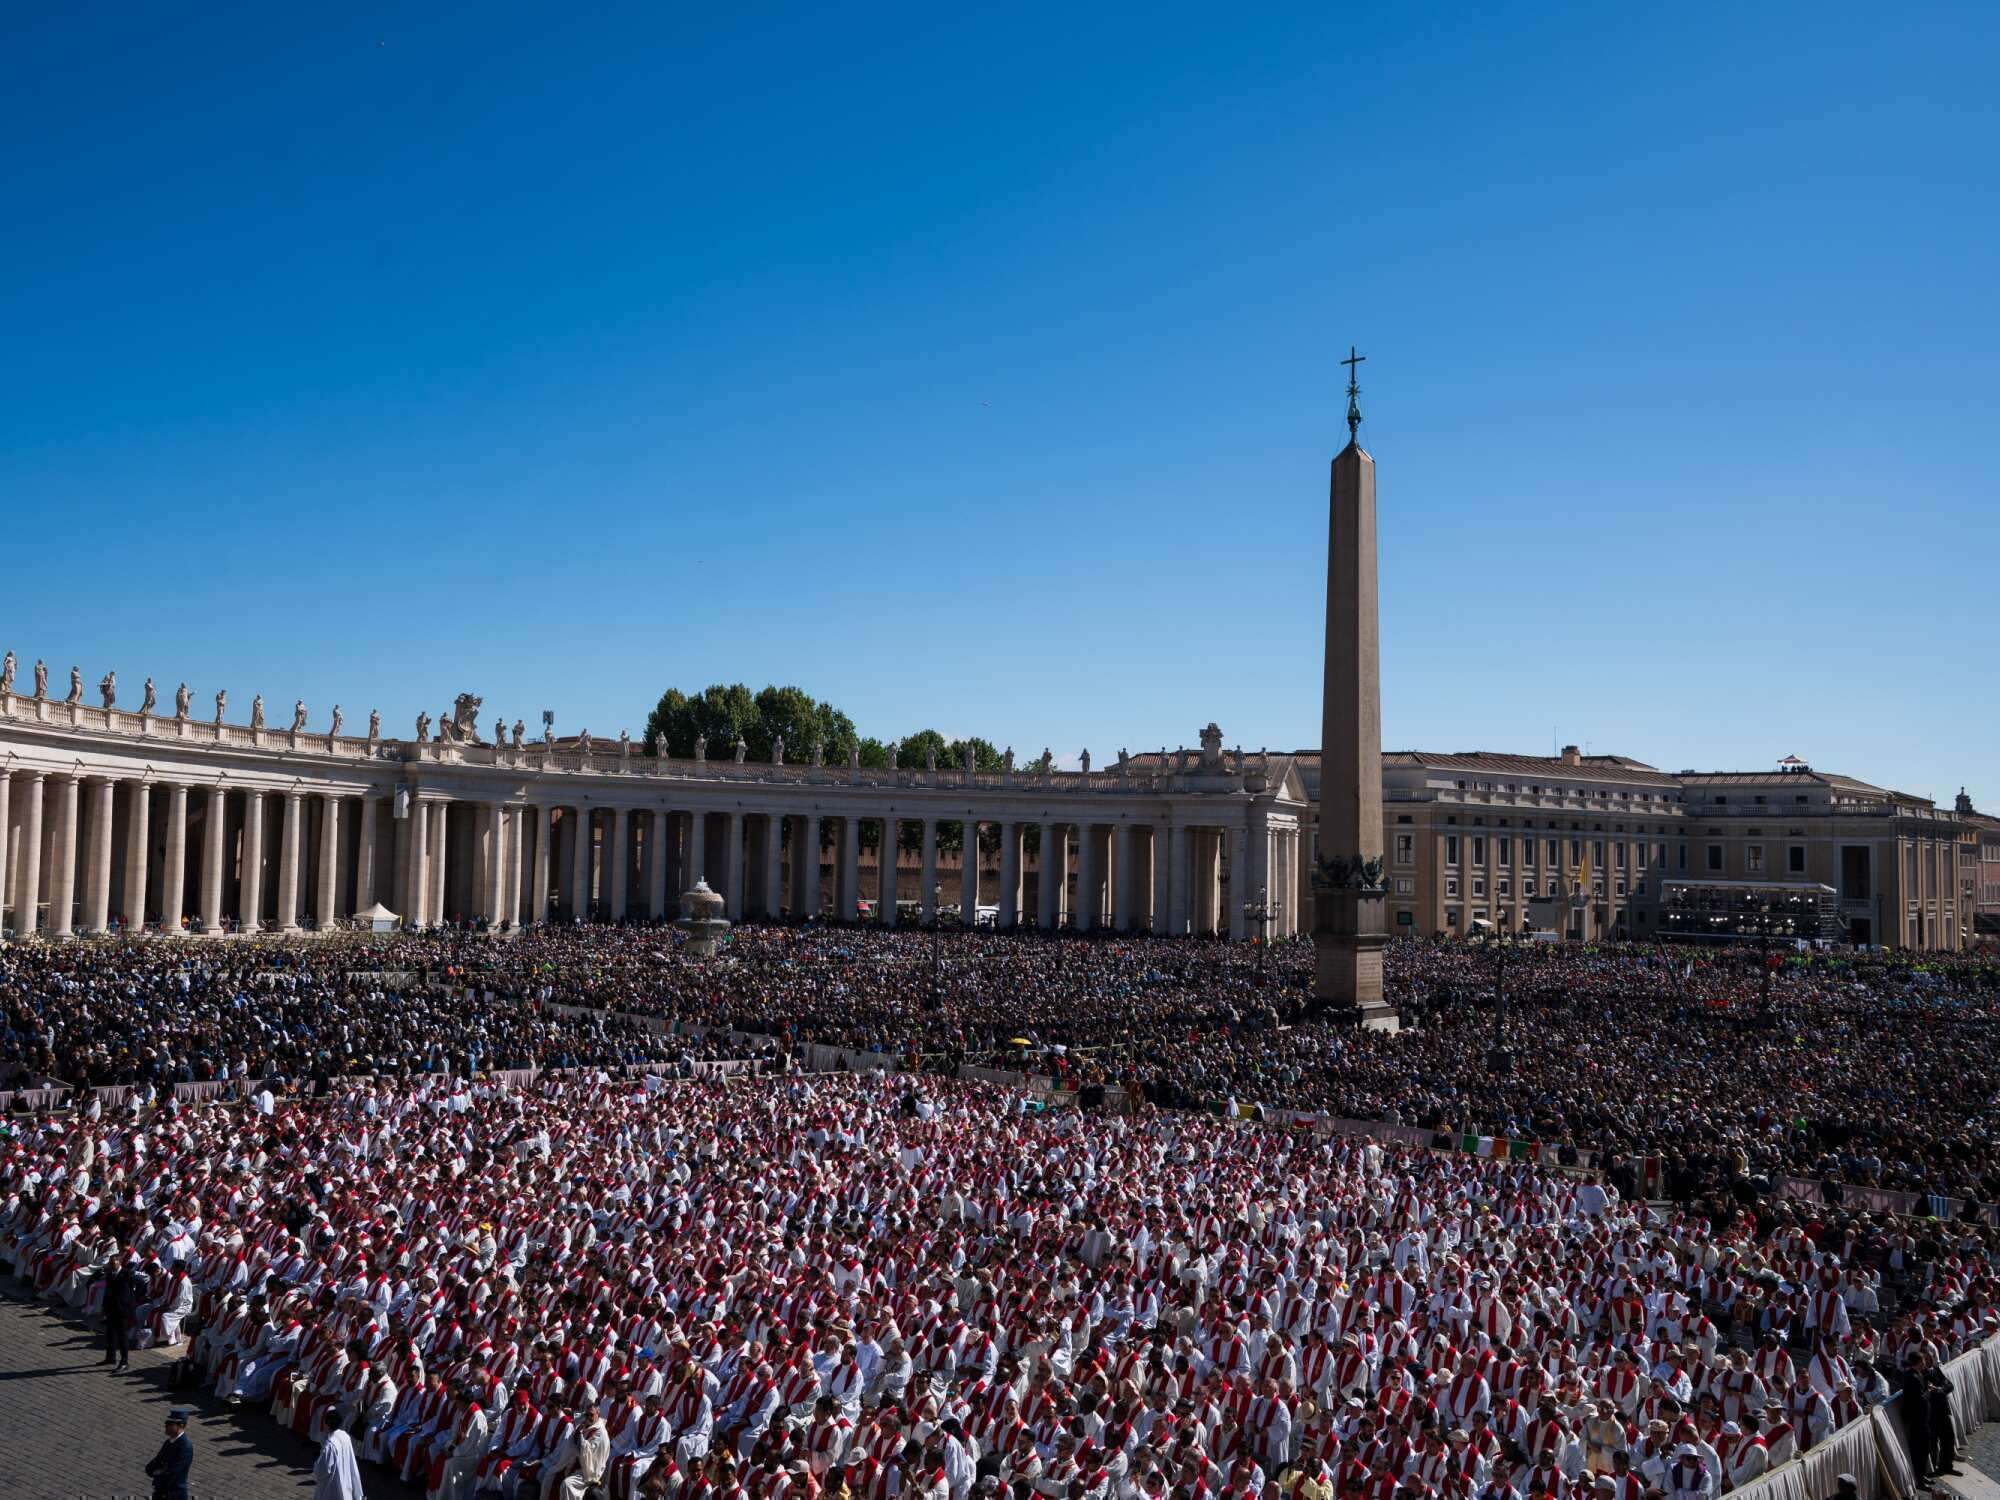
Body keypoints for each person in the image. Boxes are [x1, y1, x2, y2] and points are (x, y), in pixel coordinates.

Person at [103, 1250, 144, 1370]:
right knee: (110, 1334)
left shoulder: (127, 1274)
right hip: (111, 1308)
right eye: (110, 1262)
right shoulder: (110, 1273)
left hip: (123, 1310)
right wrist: (104, 1306)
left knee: (122, 1336)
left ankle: (124, 1361)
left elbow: (141, 1283)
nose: (112, 1264)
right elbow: (108, 1291)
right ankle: (110, 1357)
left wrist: (133, 1297)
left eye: (114, 1262)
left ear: (120, 1262)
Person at [146, 1409, 194, 1500]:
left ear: (181, 1425)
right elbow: (154, 1463)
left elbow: (174, 1472)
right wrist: (153, 1470)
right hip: (161, 1492)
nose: (166, 1426)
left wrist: (158, 1473)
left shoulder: (185, 1446)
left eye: (170, 1424)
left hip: (174, 1494)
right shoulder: (169, 1442)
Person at [315, 1428, 367, 1500]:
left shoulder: (330, 1445)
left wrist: (316, 1468)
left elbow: (322, 1470)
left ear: (326, 1424)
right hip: (346, 1477)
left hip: (333, 1484)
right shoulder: (345, 1435)